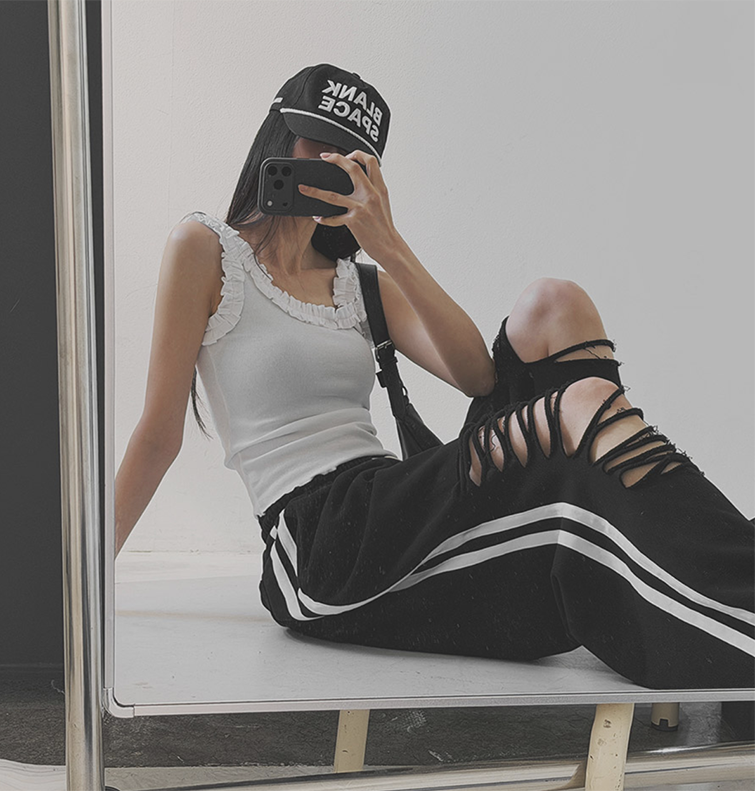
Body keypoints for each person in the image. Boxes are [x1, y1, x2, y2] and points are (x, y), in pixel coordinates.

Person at [115, 63, 755, 690]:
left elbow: (477, 378)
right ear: (279, 138)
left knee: (556, 304)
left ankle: (705, 577)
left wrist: (387, 244)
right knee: (582, 403)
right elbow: (158, 435)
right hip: (320, 542)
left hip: (390, 502)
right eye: (318, 144)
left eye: (353, 159)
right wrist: (82, 580)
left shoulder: (359, 285)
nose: (332, 164)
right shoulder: (205, 250)